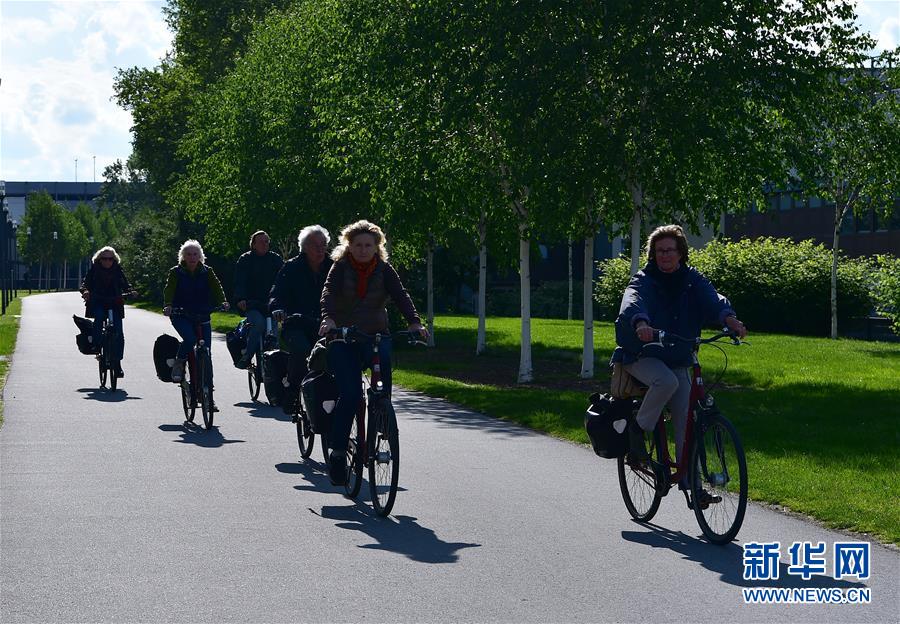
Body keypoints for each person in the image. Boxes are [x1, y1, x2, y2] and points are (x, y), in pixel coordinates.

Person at [612, 225, 747, 499]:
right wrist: (641, 323)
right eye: (659, 251)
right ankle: (638, 430)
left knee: (687, 421)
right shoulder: (644, 280)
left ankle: (693, 486)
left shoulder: (692, 279)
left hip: (678, 355)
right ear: (653, 254)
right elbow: (633, 301)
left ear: (681, 253)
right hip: (641, 354)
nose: (665, 255)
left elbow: (712, 298)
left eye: (670, 250)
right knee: (666, 381)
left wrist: (728, 317)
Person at [318, 220, 427, 485]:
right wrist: (329, 319)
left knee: (383, 376)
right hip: (344, 337)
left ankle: (382, 418)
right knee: (351, 394)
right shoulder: (340, 268)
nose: (363, 250)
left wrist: (414, 322)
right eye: (358, 245)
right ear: (349, 246)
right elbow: (328, 293)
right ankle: (338, 452)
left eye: (368, 245)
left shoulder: (384, 269)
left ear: (377, 247)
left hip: (375, 335)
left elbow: (400, 295)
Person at [269, 225, 333, 414]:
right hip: (296, 324)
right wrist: (277, 308)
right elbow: (276, 293)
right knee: (301, 350)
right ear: (304, 247)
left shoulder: (334, 267)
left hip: (325, 324)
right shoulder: (291, 267)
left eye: (323, 245)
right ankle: (293, 390)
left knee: (337, 355)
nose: (320, 249)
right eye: (315, 245)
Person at [162, 240, 229, 408]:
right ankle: (179, 362)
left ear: (200, 256)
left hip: (202, 314)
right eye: (188, 254)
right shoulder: (176, 272)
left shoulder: (207, 271)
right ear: (183, 257)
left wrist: (223, 301)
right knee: (190, 339)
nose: (192, 257)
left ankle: (209, 397)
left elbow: (217, 288)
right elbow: (169, 289)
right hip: (181, 314)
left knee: (206, 354)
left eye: (195, 254)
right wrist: (168, 305)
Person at [233, 230, 283, 369]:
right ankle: (247, 356)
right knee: (259, 324)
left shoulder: (275, 259)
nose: (264, 244)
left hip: (271, 303)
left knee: (273, 333)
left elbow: (283, 280)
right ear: (253, 244)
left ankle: (276, 367)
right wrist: (241, 298)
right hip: (252, 303)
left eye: (267, 241)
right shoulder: (245, 259)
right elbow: (240, 281)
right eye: (261, 242)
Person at [80, 246, 133, 377]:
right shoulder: (94, 270)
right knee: (99, 317)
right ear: (99, 259)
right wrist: (85, 291)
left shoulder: (118, 270)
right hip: (98, 301)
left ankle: (118, 364)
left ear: (114, 260)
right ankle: (97, 344)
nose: (108, 261)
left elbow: (125, 284)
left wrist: (131, 291)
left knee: (119, 332)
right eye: (104, 259)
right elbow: (85, 284)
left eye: (110, 259)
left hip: (115, 303)